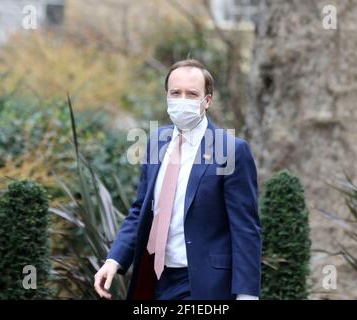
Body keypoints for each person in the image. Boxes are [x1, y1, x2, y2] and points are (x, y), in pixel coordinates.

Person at [94, 59, 262, 300]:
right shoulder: (157, 141)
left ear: (207, 100)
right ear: (167, 97)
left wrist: (247, 295)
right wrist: (114, 260)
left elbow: (245, 229)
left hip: (204, 285)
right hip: (155, 280)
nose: (182, 100)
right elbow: (141, 209)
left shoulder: (231, 150)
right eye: (176, 93)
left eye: (192, 94)